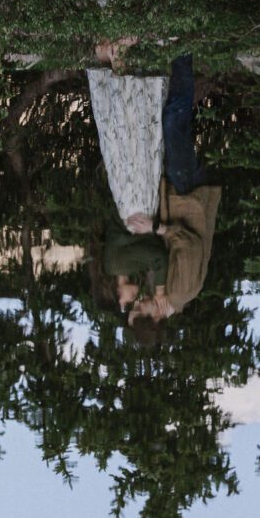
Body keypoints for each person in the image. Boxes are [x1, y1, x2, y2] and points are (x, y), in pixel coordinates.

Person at [87, 51, 221, 340]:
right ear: (155, 316)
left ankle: (176, 57)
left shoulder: (166, 292)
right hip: (189, 197)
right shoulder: (182, 291)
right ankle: (183, 53)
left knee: (172, 123)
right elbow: (189, 243)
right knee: (173, 122)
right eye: (140, 309)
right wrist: (156, 228)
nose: (138, 302)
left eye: (133, 307)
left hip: (179, 197)